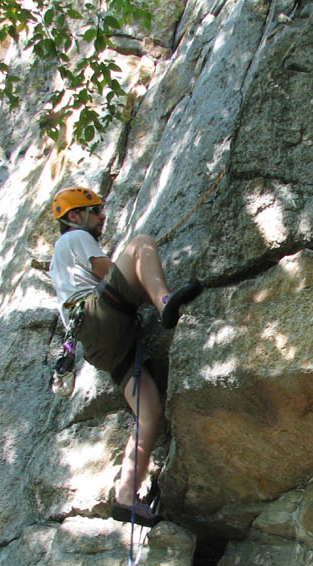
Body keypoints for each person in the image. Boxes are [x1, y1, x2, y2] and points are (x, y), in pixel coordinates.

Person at [48, 186, 200, 526]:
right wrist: (142, 278)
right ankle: (165, 304)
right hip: (97, 317)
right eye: (96, 210)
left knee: (150, 414)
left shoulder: (61, 257)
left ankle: (125, 497)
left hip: (102, 345)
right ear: (74, 217)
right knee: (141, 243)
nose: (103, 217)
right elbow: (106, 270)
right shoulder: (74, 238)